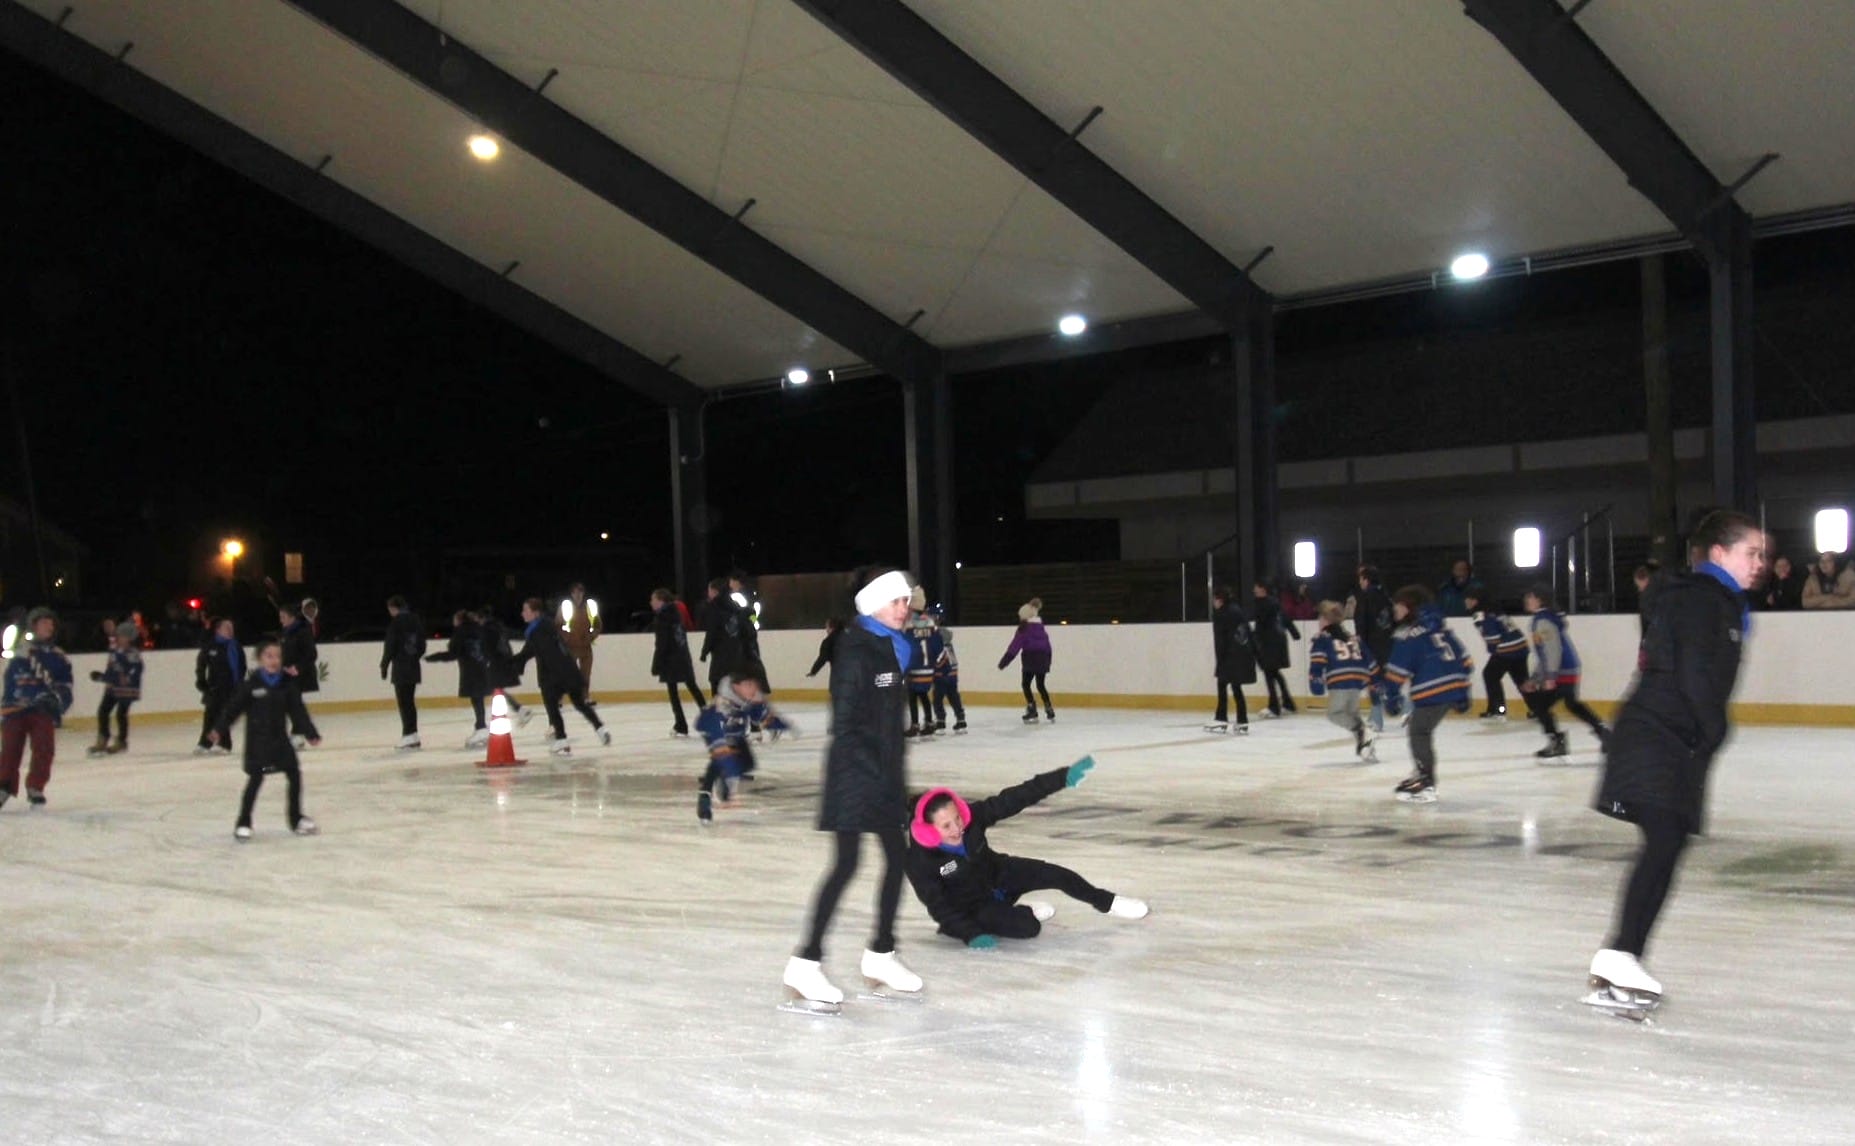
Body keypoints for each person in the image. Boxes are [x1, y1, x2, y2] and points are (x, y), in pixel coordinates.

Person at [1584, 510, 1764, 1017]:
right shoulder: (1698, 598)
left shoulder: (1717, 602)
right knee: (1664, 840)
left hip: (1669, 737)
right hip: (1655, 736)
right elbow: (1689, 670)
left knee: (1667, 842)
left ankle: (1619, 955)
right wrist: (1714, 728)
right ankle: (1621, 954)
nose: (1760, 564)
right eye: (1752, 552)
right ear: (1719, 554)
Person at [783, 567, 923, 1011]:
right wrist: (877, 770)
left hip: (882, 773)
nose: (905, 608)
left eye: (907, 600)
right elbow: (844, 724)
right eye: (897, 601)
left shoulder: (893, 648)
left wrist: (892, 773)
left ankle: (881, 954)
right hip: (854, 773)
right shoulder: (856, 649)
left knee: (898, 858)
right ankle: (805, 964)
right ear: (873, 604)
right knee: (846, 865)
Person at [905, 756, 1148, 947]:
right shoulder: (919, 859)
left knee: (1057, 875)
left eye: (957, 818)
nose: (957, 828)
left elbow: (1013, 799)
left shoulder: (972, 818)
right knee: (1028, 927)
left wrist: (1061, 778)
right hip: (973, 908)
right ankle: (1016, 913)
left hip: (998, 874)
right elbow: (938, 906)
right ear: (929, 828)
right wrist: (970, 934)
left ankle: (1108, 902)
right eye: (946, 826)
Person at [211, 638, 321, 841]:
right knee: (255, 780)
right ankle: (243, 822)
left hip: (280, 742)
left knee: (294, 775)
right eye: (269, 656)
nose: (274, 660)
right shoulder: (251, 685)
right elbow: (232, 710)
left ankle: (296, 818)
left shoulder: (286, 685)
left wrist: (310, 732)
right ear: (259, 659)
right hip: (258, 744)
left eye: (278, 656)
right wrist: (219, 729)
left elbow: (298, 712)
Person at [1382, 587, 1473, 803]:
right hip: (1454, 686)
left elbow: (1397, 671)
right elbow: (1466, 662)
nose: (1394, 609)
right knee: (1421, 728)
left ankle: (1426, 782)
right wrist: (1461, 691)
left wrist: (1392, 697)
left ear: (1408, 608)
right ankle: (1423, 775)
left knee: (1419, 731)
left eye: (1398, 605)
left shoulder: (1407, 634)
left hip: (1432, 690)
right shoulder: (1442, 630)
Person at [694, 659, 790, 823]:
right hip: (715, 732)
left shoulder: (748, 697)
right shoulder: (721, 709)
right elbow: (718, 742)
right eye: (750, 685)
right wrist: (729, 774)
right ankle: (705, 797)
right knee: (720, 761)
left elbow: (760, 713)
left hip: (736, 733)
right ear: (737, 685)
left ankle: (723, 779)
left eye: (756, 685)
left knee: (748, 763)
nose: (755, 689)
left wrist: (778, 724)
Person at [1521, 585, 1609, 759]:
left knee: (1539, 705)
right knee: (1572, 704)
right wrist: (1536, 678)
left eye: (1530, 597)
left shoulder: (1543, 621)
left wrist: (1550, 677)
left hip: (1562, 671)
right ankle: (1604, 734)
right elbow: (1545, 654)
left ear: (1540, 599)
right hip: (1568, 668)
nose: (1526, 600)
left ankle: (1557, 741)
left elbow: (1553, 650)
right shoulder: (1544, 619)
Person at [514, 597, 610, 755]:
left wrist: (508, 663)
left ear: (535, 613)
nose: (522, 613)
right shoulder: (546, 626)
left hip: (554, 676)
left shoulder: (537, 630)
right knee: (579, 703)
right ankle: (600, 728)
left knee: (552, 706)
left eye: (526, 610)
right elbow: (530, 651)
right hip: (569, 671)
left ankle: (562, 740)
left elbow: (530, 652)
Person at [1, 607, 74, 810]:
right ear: (33, 626)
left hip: (42, 710)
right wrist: (5, 706)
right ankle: (4, 786)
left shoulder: (58, 657)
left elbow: (66, 685)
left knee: (44, 749)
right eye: (44, 623)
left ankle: (36, 787)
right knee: (9, 750)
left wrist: (57, 701)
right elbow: (10, 682)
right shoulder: (20, 655)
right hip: (15, 709)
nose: (48, 627)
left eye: (51, 624)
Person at [1306, 601, 1377, 761]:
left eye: (1320, 618)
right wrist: (1374, 680)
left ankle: (1364, 731)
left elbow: (1318, 661)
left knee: (1335, 713)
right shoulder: (1351, 637)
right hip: (1358, 679)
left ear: (1325, 619)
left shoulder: (1322, 639)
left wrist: (1315, 680)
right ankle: (1366, 745)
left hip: (1340, 679)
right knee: (1352, 713)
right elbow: (1369, 659)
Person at [425, 608, 492, 748]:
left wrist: (432, 657)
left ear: (460, 620)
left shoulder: (461, 633)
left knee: (476, 698)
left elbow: (452, 654)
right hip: (482, 668)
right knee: (478, 698)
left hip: (471, 670)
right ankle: (480, 726)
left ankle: (481, 727)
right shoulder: (480, 630)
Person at [1347, 564, 1401, 727]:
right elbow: (1393, 620)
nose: (1360, 582)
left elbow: (1361, 620)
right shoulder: (1386, 596)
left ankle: (1378, 716)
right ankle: (1388, 709)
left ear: (1366, 580)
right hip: (1388, 644)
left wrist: (1359, 640)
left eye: (1361, 579)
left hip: (1372, 645)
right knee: (1383, 679)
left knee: (1373, 679)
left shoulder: (1365, 597)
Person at [1463, 587, 1529, 720]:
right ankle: (1538, 709)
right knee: (1522, 680)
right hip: (1521, 646)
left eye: (1468, 599)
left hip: (1507, 649)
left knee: (1490, 675)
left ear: (1475, 601)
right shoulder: (1495, 610)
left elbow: (1492, 634)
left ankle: (1498, 709)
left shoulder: (1480, 614)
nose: (1465, 602)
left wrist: (1493, 650)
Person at [650, 589, 706, 738]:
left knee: (673, 692)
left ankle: (681, 724)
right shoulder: (676, 614)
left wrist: (656, 664)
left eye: (653, 599)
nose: (651, 602)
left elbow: (662, 644)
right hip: (682, 656)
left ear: (661, 601)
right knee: (692, 687)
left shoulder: (662, 618)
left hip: (671, 660)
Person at [87, 621, 144, 756]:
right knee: (103, 711)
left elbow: (137, 668)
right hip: (113, 688)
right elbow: (112, 670)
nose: (119, 638)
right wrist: (102, 678)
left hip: (127, 690)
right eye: (118, 636)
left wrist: (128, 678)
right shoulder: (115, 650)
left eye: (122, 636)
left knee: (120, 714)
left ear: (129, 639)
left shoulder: (132, 653)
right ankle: (103, 738)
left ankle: (121, 741)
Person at [998, 597, 1055, 724]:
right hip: (1043, 658)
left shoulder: (1024, 628)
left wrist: (1004, 661)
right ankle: (1049, 708)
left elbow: (1015, 647)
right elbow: (1048, 647)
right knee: (1041, 685)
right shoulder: (1041, 629)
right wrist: (1048, 662)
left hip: (1030, 658)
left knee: (1026, 684)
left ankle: (1032, 709)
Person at [1207, 586, 1255, 735]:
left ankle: (1221, 718)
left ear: (1219, 600)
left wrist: (1220, 659)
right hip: (1242, 655)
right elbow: (1247, 633)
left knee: (1222, 685)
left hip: (1229, 656)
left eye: (1214, 599)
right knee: (1236, 687)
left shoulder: (1221, 614)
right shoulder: (1238, 611)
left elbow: (1220, 640)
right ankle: (1242, 721)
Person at [381, 596, 426, 750]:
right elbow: (422, 645)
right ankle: (412, 734)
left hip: (401, 668)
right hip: (413, 666)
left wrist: (384, 665)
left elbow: (390, 646)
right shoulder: (416, 621)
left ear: (394, 608)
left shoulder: (396, 623)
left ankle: (408, 734)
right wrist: (413, 657)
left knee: (403, 702)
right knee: (410, 702)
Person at [194, 617, 244, 755]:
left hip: (231, 688)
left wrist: (239, 683)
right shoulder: (210, 646)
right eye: (227, 627)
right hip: (214, 688)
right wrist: (201, 680)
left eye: (231, 627)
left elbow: (241, 666)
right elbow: (201, 665)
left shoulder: (236, 646)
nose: (230, 630)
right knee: (210, 716)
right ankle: (205, 743)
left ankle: (225, 744)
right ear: (218, 630)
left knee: (225, 715)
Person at [1252, 580, 1301, 717]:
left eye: (1256, 587)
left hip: (1269, 643)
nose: (1254, 590)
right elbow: (1285, 618)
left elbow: (1261, 625)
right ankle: (1288, 703)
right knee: (1275, 673)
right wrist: (1294, 633)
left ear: (1263, 589)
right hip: (1278, 642)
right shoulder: (1275, 602)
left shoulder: (1263, 604)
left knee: (1269, 673)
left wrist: (1254, 640)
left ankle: (1274, 706)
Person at [278, 601, 319, 747]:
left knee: (294, 704)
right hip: (287, 674)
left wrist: (297, 668)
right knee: (292, 704)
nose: (280, 620)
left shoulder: (302, 630)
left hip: (300, 674)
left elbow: (311, 654)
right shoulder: (286, 631)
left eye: (283, 617)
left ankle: (299, 734)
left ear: (291, 617)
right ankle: (300, 734)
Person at [904, 587, 942, 737]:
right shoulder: (931, 623)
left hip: (915, 668)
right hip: (928, 668)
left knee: (912, 696)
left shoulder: (910, 624)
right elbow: (938, 644)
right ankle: (930, 722)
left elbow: (907, 646)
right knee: (924, 695)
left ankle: (914, 725)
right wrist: (934, 663)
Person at [699, 578, 747, 692]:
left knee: (716, 683)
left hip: (721, 655)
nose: (708, 594)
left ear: (715, 591)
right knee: (733, 686)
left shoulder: (715, 608)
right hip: (736, 654)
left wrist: (704, 652)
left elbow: (712, 632)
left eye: (709, 590)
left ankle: (720, 708)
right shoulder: (734, 607)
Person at [929, 605, 968, 735]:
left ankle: (940, 721)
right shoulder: (946, 636)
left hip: (941, 672)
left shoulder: (934, 635)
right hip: (952, 670)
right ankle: (961, 719)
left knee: (938, 698)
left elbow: (937, 656)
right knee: (953, 696)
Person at [560, 582, 602, 693]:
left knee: (585, 675)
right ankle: (560, 698)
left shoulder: (589, 608)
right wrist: (565, 638)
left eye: (580, 592)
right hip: (570, 647)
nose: (578, 594)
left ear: (583, 593)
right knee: (568, 674)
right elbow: (558, 625)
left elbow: (597, 625)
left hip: (585, 647)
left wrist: (592, 636)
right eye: (575, 592)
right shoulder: (566, 607)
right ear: (571, 593)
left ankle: (585, 697)